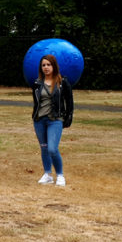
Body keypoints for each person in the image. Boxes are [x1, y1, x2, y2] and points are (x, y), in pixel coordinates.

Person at [31, 55, 74, 187]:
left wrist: (67, 118)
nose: (46, 67)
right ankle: (47, 174)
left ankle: (60, 175)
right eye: (43, 65)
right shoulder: (37, 83)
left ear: (54, 66)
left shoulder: (62, 82)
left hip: (55, 119)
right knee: (44, 147)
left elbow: (69, 102)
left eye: (48, 65)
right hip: (39, 120)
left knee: (52, 149)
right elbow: (37, 102)